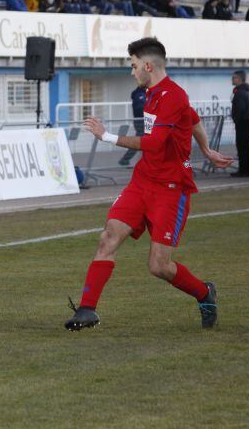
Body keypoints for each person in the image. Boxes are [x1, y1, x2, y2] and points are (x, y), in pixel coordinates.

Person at [65, 37, 233, 332]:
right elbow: (193, 120)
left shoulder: (173, 96)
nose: (132, 72)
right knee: (108, 237)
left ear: (147, 65)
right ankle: (87, 310)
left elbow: (155, 143)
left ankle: (204, 293)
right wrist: (206, 149)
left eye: (132, 66)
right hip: (142, 181)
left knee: (159, 266)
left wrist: (107, 136)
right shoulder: (152, 93)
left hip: (171, 189)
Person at [231, 70, 249, 177]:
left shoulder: (239, 93)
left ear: (239, 79)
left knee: (242, 147)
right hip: (248, 123)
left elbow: (239, 109)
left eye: (234, 77)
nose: (232, 79)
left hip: (242, 124)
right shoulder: (248, 91)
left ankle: (243, 170)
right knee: (247, 147)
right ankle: (248, 169)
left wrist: (236, 119)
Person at [118, 84, 146, 166]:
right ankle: (125, 160)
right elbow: (140, 108)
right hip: (141, 121)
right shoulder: (139, 94)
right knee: (139, 142)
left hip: (145, 120)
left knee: (145, 141)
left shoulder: (146, 93)